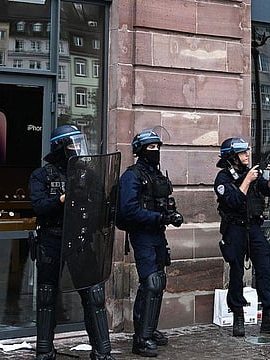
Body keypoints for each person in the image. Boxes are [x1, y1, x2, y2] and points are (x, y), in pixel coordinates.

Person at [29, 124, 115, 360]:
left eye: (78, 145)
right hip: (52, 240)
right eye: (71, 145)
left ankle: (102, 352)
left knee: (94, 295)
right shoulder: (42, 175)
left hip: (80, 241)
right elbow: (39, 206)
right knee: (47, 296)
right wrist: (62, 199)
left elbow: (101, 203)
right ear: (59, 147)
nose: (76, 150)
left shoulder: (88, 175)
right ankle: (45, 351)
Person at [117, 129, 183, 357]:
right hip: (142, 234)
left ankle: (150, 329)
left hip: (157, 233)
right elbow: (129, 210)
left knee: (158, 282)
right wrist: (159, 217)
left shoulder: (157, 175)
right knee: (151, 282)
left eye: (157, 147)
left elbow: (162, 203)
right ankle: (140, 339)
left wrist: (171, 215)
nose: (155, 151)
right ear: (140, 150)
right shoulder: (132, 176)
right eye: (151, 147)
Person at [214, 137, 270, 338]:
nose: (247, 155)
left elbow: (269, 189)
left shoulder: (251, 174)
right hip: (235, 229)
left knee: (265, 270)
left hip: (253, 228)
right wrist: (247, 180)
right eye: (242, 153)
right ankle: (238, 316)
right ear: (232, 157)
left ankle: (269, 318)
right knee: (236, 273)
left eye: (247, 152)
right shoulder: (223, 179)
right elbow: (234, 200)